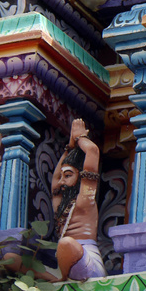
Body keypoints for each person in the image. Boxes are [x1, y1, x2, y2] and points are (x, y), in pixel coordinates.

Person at [40, 118, 104, 281]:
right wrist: (70, 146)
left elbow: (92, 151)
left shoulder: (85, 200)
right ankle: (61, 277)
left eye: (68, 176)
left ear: (81, 176)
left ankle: (61, 278)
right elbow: (55, 179)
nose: (62, 181)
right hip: (64, 264)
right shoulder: (60, 205)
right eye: (62, 176)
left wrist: (79, 137)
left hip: (88, 265)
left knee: (66, 243)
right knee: (13, 258)